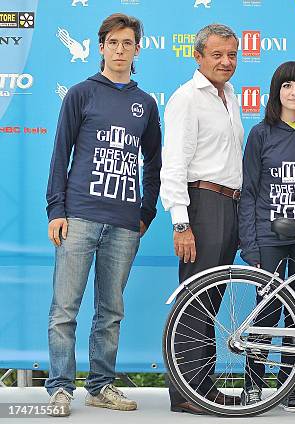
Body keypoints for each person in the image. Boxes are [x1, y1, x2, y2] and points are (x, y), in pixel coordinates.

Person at [44, 13, 162, 417]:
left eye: (127, 43)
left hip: (125, 222)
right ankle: (60, 388)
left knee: (111, 311)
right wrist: (56, 210)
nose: (119, 49)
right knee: (65, 309)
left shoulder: (145, 104)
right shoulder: (80, 94)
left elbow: (153, 163)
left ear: (137, 49)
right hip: (78, 217)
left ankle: (101, 385)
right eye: (112, 42)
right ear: (101, 47)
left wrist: (146, 211)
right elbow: (60, 155)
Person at [160, 23, 243, 415]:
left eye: (232, 54)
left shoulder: (230, 97)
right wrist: (181, 222)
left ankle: (203, 386)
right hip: (201, 203)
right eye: (217, 54)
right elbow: (173, 164)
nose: (226, 62)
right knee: (195, 301)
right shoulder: (186, 99)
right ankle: (187, 394)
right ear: (198, 57)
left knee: (210, 300)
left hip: (229, 204)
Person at [239, 61, 295, 413]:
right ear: (277, 91)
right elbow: (248, 191)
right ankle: (253, 384)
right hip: (269, 235)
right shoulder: (261, 133)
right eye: (288, 85)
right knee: (269, 309)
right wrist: (251, 243)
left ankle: (288, 385)